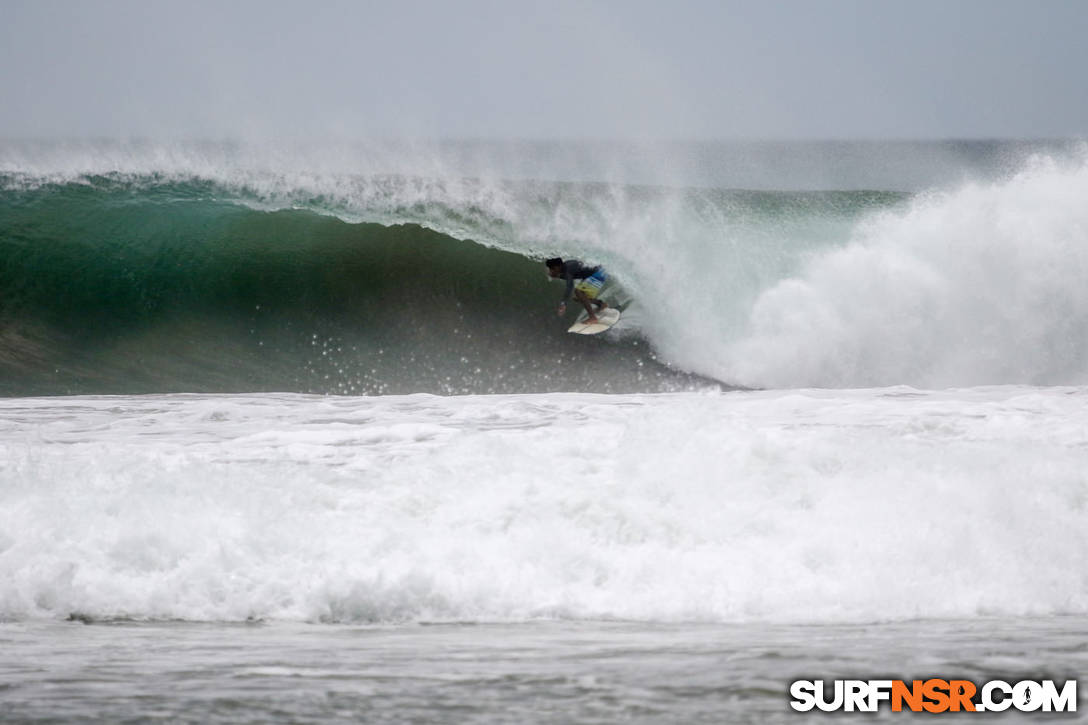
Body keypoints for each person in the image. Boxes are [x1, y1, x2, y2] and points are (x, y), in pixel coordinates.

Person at [545, 257, 609, 324]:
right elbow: (570, 276)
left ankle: (593, 318)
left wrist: (563, 304)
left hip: (598, 273)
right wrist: (557, 276)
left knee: (578, 292)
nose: (550, 271)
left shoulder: (567, 270)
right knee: (579, 297)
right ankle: (601, 304)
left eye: (551, 269)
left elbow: (570, 286)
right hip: (599, 272)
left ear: (557, 267)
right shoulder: (566, 266)